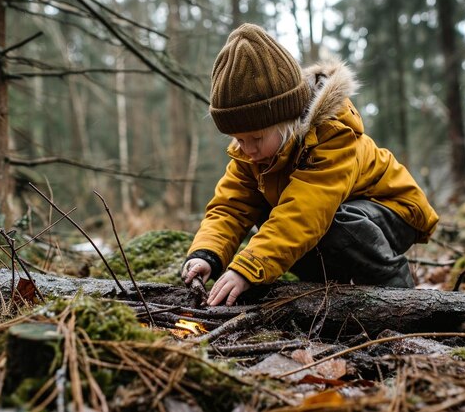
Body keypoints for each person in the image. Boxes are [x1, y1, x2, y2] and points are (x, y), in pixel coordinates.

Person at [181, 23, 439, 306]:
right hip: (339, 216)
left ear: (286, 119)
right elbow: (230, 207)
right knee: (268, 217)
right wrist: (206, 254)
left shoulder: (331, 134)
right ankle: (329, 298)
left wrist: (248, 268)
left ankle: (400, 295)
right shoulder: (250, 155)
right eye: (238, 139)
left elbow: (305, 213)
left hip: (393, 209)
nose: (248, 149)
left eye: (256, 137)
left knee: (329, 223)